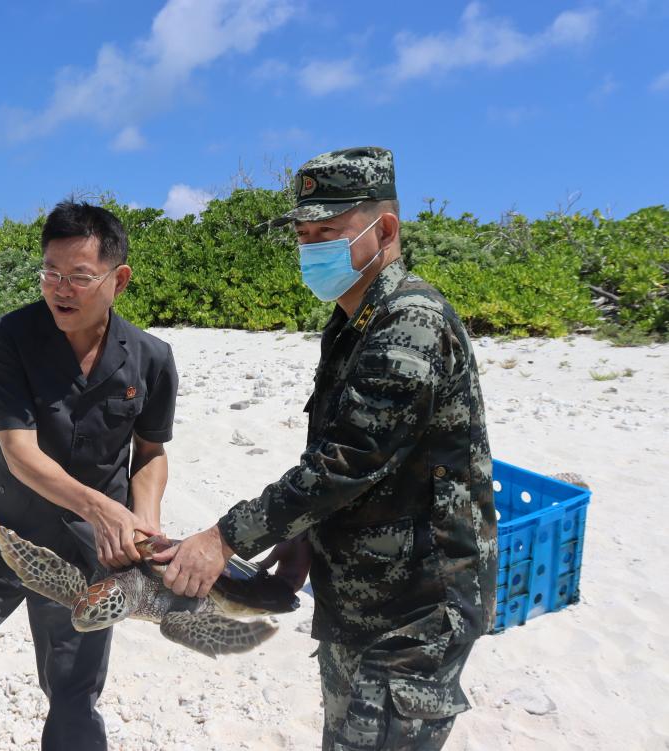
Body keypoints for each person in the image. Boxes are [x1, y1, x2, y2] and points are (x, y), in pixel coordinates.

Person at [153, 146, 497, 750]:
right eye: (305, 234)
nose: (313, 247)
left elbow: (351, 459)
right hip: (358, 593)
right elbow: (346, 462)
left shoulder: (410, 321)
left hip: (414, 607)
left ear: (383, 228)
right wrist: (304, 534)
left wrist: (223, 539)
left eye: (329, 232)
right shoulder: (353, 322)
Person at [0, 201, 178, 751]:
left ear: (118, 279)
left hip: (89, 554)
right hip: (1, 533)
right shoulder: (8, 336)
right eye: (50, 273)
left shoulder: (152, 358)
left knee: (73, 694)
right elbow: (18, 450)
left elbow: (150, 453)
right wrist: (103, 508)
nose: (61, 289)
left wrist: (143, 523)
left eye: (80, 277)